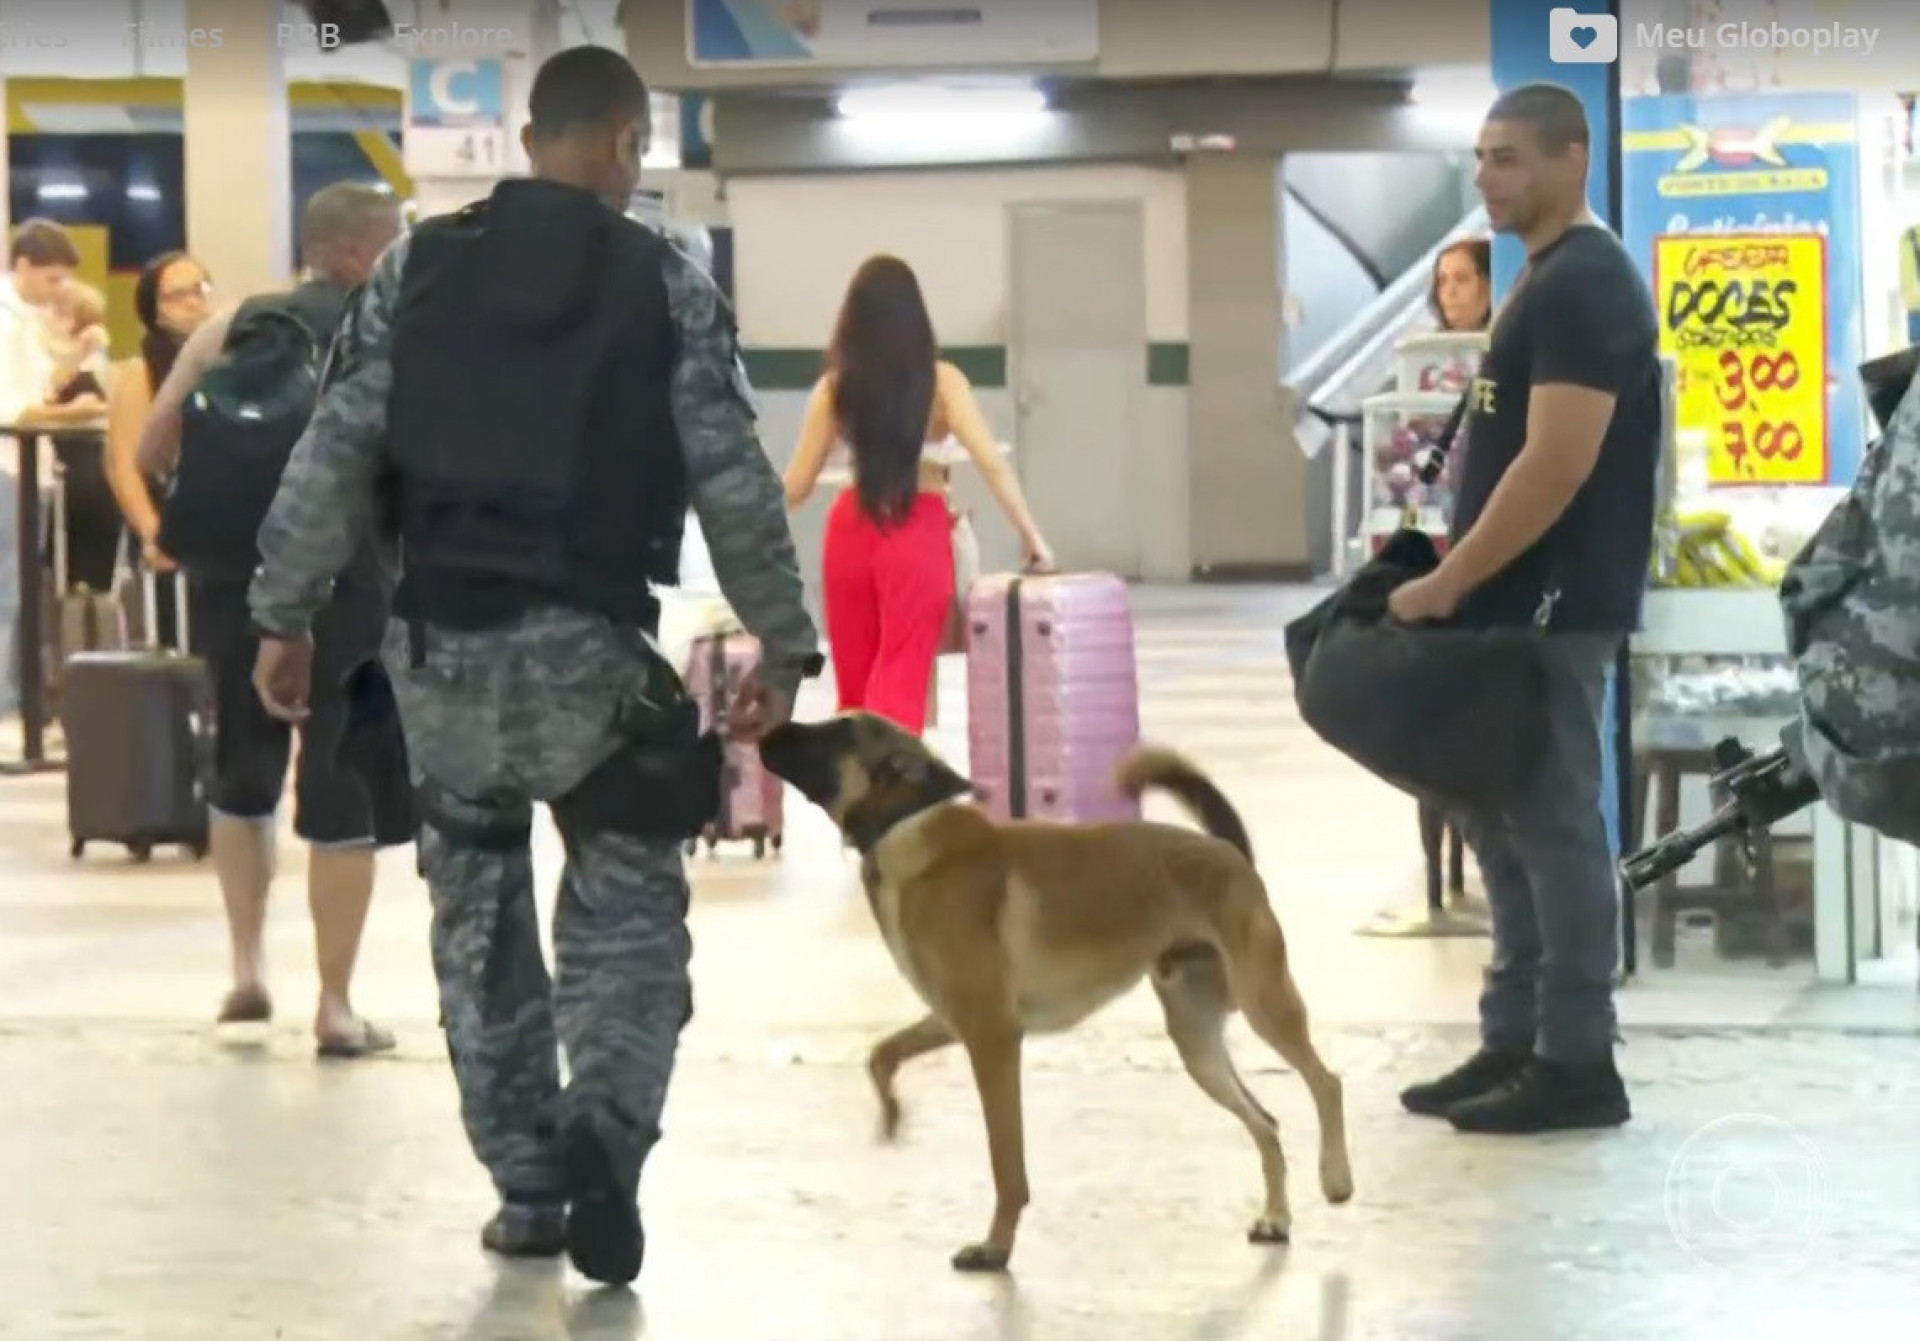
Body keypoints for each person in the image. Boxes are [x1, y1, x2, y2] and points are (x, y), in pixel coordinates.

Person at [246, 46, 819, 1286]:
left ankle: (528, 1188)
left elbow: (334, 445)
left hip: (439, 654)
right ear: (622, 142)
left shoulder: (413, 267)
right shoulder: (663, 281)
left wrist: (283, 612)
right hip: (590, 661)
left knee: (479, 929)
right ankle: (605, 1128)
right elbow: (730, 474)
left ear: (526, 134)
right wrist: (785, 637)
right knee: (624, 913)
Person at [1390, 82, 1658, 1134]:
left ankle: (1577, 1062)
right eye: (1480, 156)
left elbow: (1554, 467)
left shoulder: (1589, 284)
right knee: (1500, 824)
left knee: (1554, 828)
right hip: (1510, 606)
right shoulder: (1544, 280)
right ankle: (1514, 1040)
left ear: (1570, 160)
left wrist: (1451, 580)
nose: (1484, 177)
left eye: (1506, 157)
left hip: (1554, 605)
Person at [136, 183, 407, 1056]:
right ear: (366, 253)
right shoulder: (394, 334)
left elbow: (151, 448)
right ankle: (335, 1004)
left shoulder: (233, 329)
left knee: (240, 765)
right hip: (354, 583)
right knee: (344, 782)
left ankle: (248, 969)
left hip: (235, 581)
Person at [782, 255, 1053, 733]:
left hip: (847, 530)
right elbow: (991, 462)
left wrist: (737, 536)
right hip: (916, 527)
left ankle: (859, 800)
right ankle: (900, 799)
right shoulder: (943, 382)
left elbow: (794, 488)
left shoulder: (834, 389)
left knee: (853, 689)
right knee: (902, 678)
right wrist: (1033, 537)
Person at [107, 249, 214, 649]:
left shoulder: (225, 357)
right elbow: (123, 464)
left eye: (199, 289)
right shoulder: (141, 373)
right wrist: (154, 533)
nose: (192, 302)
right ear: (154, 309)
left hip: (220, 519)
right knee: (178, 639)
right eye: (176, 295)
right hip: (170, 513)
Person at [0, 220, 80, 720]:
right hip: (9, 466)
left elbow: (42, 388)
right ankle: (6, 699)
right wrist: (71, 414)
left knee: (26, 588)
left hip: (35, 469)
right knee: (9, 586)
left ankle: (16, 692)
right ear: (23, 266)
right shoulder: (4, 321)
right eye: (52, 279)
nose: (60, 290)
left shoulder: (27, 320)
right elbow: (15, 409)